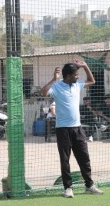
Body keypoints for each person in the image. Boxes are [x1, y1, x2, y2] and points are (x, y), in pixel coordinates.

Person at [41, 58, 103, 198]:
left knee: (84, 158)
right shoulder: (57, 87)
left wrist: (85, 66)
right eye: (76, 74)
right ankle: (68, 188)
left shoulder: (77, 85)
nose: (78, 76)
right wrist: (54, 79)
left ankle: (89, 185)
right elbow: (43, 92)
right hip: (63, 129)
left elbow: (92, 81)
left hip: (78, 129)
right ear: (68, 76)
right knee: (65, 159)